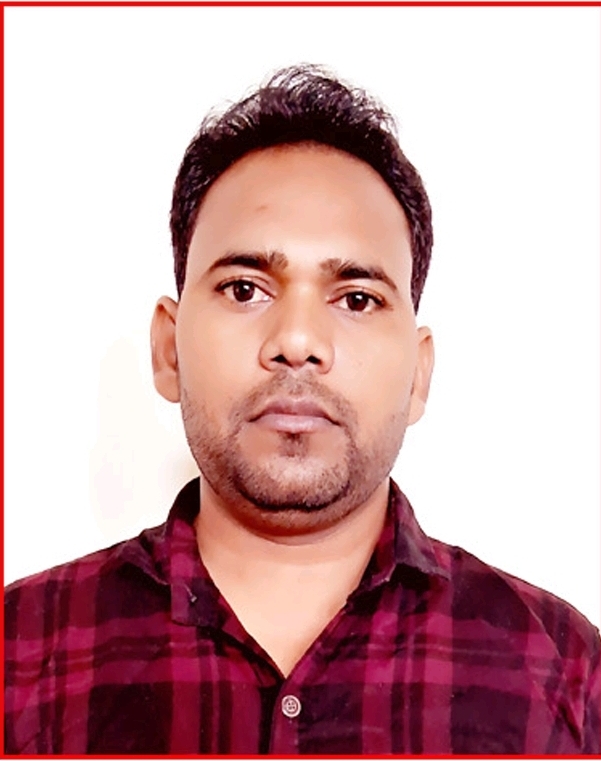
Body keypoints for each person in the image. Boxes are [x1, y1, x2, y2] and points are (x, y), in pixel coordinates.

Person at [4, 64, 599, 755]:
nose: (296, 340)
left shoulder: (564, 674)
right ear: (168, 349)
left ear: (418, 375)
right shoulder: (20, 654)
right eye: (245, 289)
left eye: (356, 299)